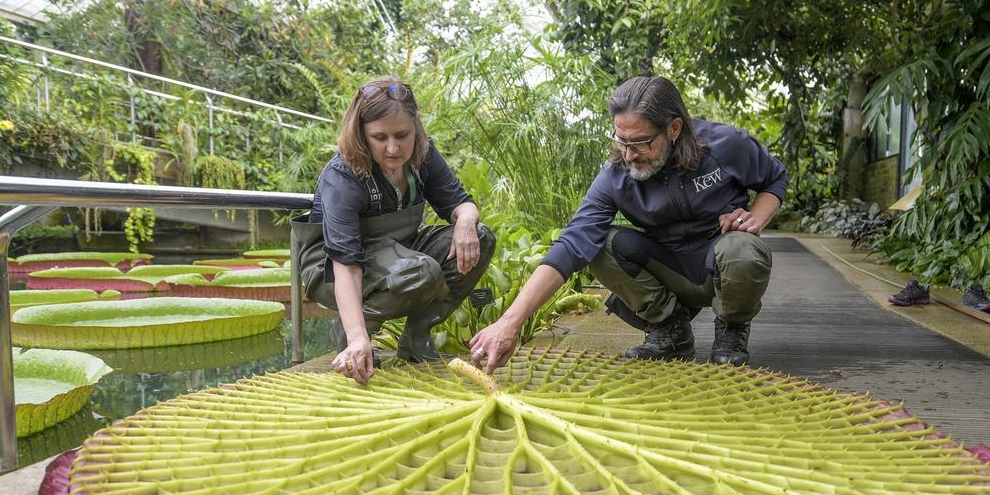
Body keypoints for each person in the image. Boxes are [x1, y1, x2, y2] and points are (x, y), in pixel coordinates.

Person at [469, 75, 786, 373]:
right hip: (669, 269)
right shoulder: (616, 174)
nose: (629, 155)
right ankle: (669, 331)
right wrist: (509, 322)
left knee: (744, 249)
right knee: (598, 245)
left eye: (641, 143)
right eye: (622, 141)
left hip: (720, 260)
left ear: (674, 128)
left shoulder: (724, 144)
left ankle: (731, 328)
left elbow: (774, 177)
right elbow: (573, 242)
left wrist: (755, 218)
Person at [298, 77, 495, 384]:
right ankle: (353, 338)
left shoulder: (423, 155)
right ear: (361, 134)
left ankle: (417, 336)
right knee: (420, 271)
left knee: (481, 238)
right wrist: (357, 334)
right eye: (380, 137)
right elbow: (346, 265)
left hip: (402, 252)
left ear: (416, 128)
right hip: (332, 267)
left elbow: (462, 204)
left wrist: (466, 223)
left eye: (402, 135)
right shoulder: (343, 176)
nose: (393, 148)